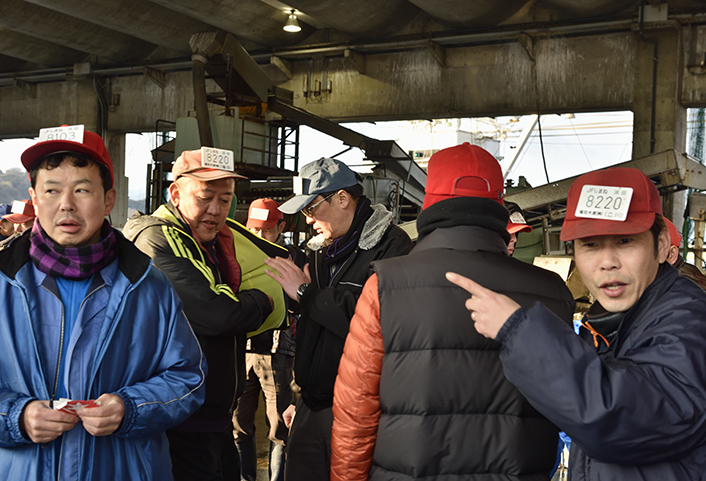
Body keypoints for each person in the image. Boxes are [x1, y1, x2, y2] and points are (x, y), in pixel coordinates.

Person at [447, 167, 706, 481]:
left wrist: (519, 332)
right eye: (590, 244)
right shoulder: (625, 317)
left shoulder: (688, 319)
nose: (607, 262)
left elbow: (627, 422)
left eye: (625, 241)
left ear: (661, 245)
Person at [329, 143, 575, 481]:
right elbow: (576, 412)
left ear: (429, 202)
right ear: (499, 204)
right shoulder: (552, 292)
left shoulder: (386, 284)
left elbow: (356, 408)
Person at [0, 127, 206, 480]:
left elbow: (188, 377)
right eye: (52, 190)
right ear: (34, 197)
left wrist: (131, 409)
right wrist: (15, 416)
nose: (66, 204)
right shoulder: (4, 283)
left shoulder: (148, 286)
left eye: (82, 189)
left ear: (109, 199)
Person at [123, 150, 288, 481]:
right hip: (178, 421)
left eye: (225, 200)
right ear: (175, 194)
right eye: (204, 197)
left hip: (212, 418)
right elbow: (217, 314)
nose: (215, 210)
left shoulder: (210, 242)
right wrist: (264, 300)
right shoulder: (158, 238)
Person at [264, 157, 413, 481]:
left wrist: (306, 293)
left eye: (311, 209)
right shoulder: (319, 251)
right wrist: (299, 395)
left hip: (359, 408)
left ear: (342, 198)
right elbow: (314, 329)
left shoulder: (392, 246)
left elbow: (374, 321)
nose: (308, 221)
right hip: (310, 404)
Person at [235, 198, 302, 481]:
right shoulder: (236, 253)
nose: (261, 235)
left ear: (281, 227)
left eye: (267, 230)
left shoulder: (293, 258)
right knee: (238, 424)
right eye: (255, 229)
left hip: (278, 350)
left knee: (279, 427)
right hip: (243, 349)